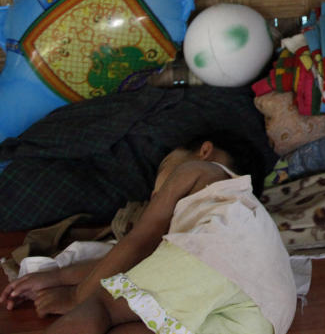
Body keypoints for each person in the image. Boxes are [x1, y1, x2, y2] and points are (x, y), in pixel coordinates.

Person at [1, 131, 296, 334]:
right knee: (135, 324)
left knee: (102, 306)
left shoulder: (199, 172)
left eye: (163, 168)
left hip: (214, 264)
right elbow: (147, 269)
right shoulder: (249, 217)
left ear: (204, 151)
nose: (156, 191)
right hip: (270, 314)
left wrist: (79, 295)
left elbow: (139, 243)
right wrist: (56, 277)